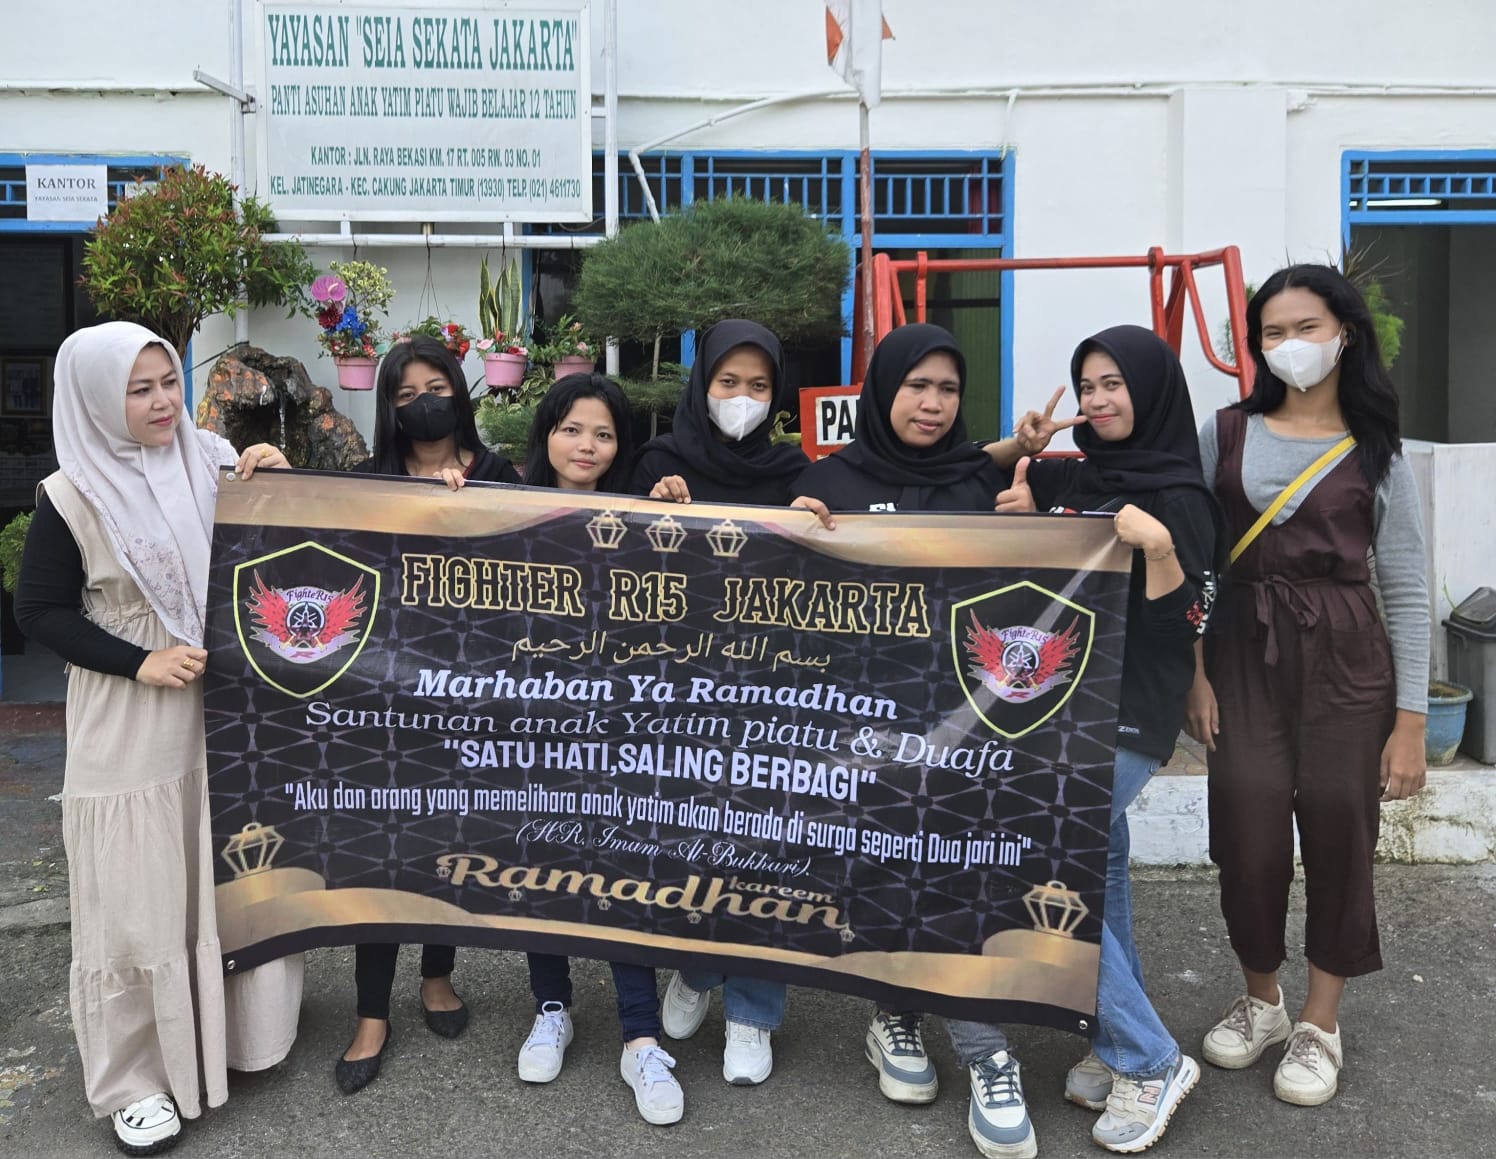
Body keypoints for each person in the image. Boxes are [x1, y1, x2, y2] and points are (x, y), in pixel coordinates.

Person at [14, 321, 302, 1155]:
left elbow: (275, 561)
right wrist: (140, 661)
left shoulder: (211, 461)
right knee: (136, 887)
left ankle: (240, 1030)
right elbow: (40, 611)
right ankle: (135, 1077)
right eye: (138, 390)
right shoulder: (73, 494)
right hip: (133, 713)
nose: (162, 402)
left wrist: (278, 483)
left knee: (225, 865)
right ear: (98, 400)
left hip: (222, 702)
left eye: (169, 381)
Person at [1186, 264, 1428, 1107]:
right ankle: (1263, 1000)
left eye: (1306, 327)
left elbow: (1405, 584)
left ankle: (1321, 1022)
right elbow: (1194, 561)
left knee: (1338, 829)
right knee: (1246, 829)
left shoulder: (1377, 447)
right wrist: (1194, 672)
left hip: (1347, 656)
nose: (1290, 345)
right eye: (1273, 333)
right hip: (1242, 647)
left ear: (1344, 334)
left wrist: (1410, 719)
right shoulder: (1225, 433)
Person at [791, 323, 1033, 1159]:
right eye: (916, 385)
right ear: (883, 389)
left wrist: (1032, 526)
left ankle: (981, 1045)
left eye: (949, 389)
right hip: (859, 718)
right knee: (890, 863)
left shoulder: (981, 480)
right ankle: (897, 1011)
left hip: (968, 721)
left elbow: (1025, 594)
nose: (933, 403)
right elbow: (780, 599)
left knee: (955, 869)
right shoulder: (827, 480)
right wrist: (790, 532)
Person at [994, 324, 1218, 1152]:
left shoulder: (1182, 496)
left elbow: (1192, 621)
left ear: (1151, 390)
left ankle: (1151, 1058)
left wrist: (1158, 549)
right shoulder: (1073, 476)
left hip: (1130, 709)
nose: (1096, 399)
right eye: (1087, 385)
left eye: (1113, 383)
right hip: (1055, 703)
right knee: (1102, 867)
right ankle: (1112, 1037)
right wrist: (1019, 479)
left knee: (1030, 852)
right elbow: (954, 482)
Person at [631, 318, 824, 1083]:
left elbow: (825, 575)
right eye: (728, 382)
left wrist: (817, 525)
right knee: (692, 840)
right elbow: (617, 565)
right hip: (680, 690)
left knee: (766, 846)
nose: (743, 397)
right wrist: (653, 509)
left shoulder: (793, 469)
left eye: (759, 385)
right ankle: (697, 965)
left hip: (769, 691)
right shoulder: (661, 462)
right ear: (702, 384)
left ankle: (752, 1012)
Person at [337, 335, 521, 1095]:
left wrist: (470, 509)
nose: (423, 403)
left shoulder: (501, 474)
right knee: (380, 850)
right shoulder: (362, 481)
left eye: (436, 387)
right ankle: (370, 1014)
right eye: (406, 393)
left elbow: (533, 568)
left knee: (452, 838)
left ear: (460, 391)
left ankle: (438, 975)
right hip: (383, 703)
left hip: (472, 699)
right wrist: (268, 472)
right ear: (388, 406)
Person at [513, 372, 687, 1127]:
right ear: (546, 433)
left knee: (624, 865)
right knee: (540, 855)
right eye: (571, 428)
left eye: (605, 434)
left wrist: (680, 511)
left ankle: (640, 1037)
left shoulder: (646, 516)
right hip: (534, 720)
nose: (586, 446)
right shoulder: (503, 506)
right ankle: (550, 1007)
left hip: (623, 727)